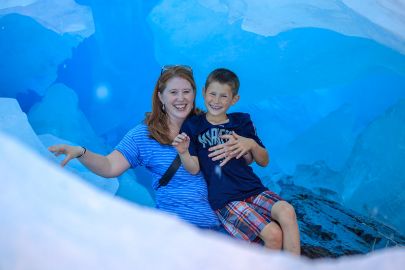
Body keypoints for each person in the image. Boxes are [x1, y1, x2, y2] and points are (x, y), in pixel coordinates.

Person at [48, 65, 222, 229]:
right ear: (160, 96)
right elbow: (110, 166)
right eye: (173, 92)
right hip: (172, 235)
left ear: (194, 95)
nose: (181, 98)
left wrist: (249, 145)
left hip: (218, 234)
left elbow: (236, 170)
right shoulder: (144, 135)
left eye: (186, 92)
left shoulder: (211, 128)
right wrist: (81, 152)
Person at [172, 68, 301, 254]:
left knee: (287, 211)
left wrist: (250, 144)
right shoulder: (194, 125)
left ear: (234, 99)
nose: (216, 101)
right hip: (225, 198)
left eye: (224, 96)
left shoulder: (241, 121)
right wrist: (183, 152)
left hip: (253, 188)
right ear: (203, 92)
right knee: (273, 234)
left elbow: (264, 161)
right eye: (212, 94)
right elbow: (193, 169)